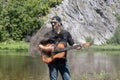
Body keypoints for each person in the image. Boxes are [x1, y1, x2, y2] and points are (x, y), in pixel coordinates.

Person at [39, 16, 80, 80]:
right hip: (52, 62)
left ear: (59, 23)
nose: (52, 24)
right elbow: (40, 45)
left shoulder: (66, 33)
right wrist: (46, 49)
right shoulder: (48, 34)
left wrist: (77, 46)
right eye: (51, 23)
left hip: (63, 62)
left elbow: (72, 44)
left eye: (54, 22)